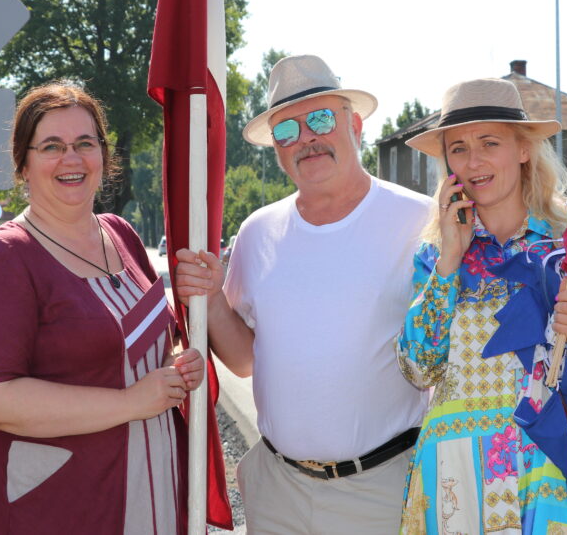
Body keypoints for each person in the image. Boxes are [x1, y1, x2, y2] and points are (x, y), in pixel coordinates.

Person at [395, 78, 567, 533]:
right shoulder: (435, 255)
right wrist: (449, 263)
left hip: (555, 474)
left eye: (489, 143)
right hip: (456, 483)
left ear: (524, 149)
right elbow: (417, 368)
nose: (474, 161)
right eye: (459, 148)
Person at [175, 54, 434, 534]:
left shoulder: (421, 222)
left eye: (320, 119)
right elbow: (245, 360)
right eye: (287, 130)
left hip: (383, 489)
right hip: (278, 491)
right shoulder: (258, 232)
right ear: (276, 148)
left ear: (354, 125)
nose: (306, 138)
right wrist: (211, 299)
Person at [0, 81, 207, 534]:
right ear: (23, 163)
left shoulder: (120, 233)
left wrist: (174, 367)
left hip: (151, 483)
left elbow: (141, 346)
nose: (71, 159)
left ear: (103, 155)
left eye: (85, 143)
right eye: (52, 146)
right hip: (58, 505)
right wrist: (131, 402)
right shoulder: (6, 256)